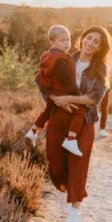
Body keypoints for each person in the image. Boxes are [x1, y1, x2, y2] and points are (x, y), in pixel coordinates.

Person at [46, 26, 112, 222]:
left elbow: (94, 98)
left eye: (96, 42)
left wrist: (68, 99)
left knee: (78, 163)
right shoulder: (64, 59)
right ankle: (64, 189)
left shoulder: (100, 68)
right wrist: (57, 100)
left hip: (85, 120)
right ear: (82, 38)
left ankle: (75, 210)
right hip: (59, 117)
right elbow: (45, 83)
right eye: (88, 38)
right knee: (56, 163)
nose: (90, 43)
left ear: (100, 48)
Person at [26, 24, 87, 157]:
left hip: (53, 90)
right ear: (52, 42)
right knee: (80, 111)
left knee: (47, 111)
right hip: (62, 91)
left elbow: (40, 74)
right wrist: (77, 94)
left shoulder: (47, 55)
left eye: (68, 39)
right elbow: (67, 80)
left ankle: (33, 131)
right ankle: (71, 139)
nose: (66, 43)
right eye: (62, 40)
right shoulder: (60, 59)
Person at [97, 56, 112, 138]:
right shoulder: (94, 57)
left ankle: (102, 129)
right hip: (91, 86)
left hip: (105, 88)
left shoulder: (111, 61)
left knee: (104, 108)